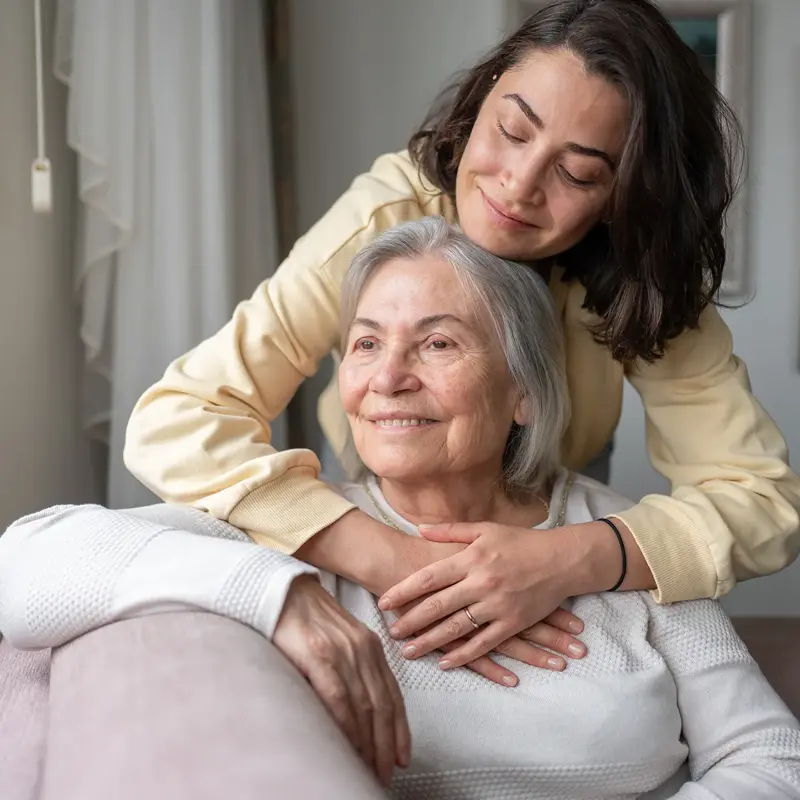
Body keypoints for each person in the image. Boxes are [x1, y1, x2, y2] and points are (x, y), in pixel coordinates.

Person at [2, 220, 799, 799]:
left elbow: (771, 756)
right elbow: (23, 562)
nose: (388, 378)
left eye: (440, 343)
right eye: (365, 343)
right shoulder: (296, 531)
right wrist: (281, 599)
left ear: (523, 391)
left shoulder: (620, 538)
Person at [123, 0, 800, 671]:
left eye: (579, 172)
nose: (519, 184)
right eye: (511, 129)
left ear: (627, 196)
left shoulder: (644, 276)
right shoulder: (383, 217)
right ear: (480, 104)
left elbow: (764, 502)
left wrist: (567, 558)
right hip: (372, 493)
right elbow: (177, 420)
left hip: (555, 506)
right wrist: (389, 556)